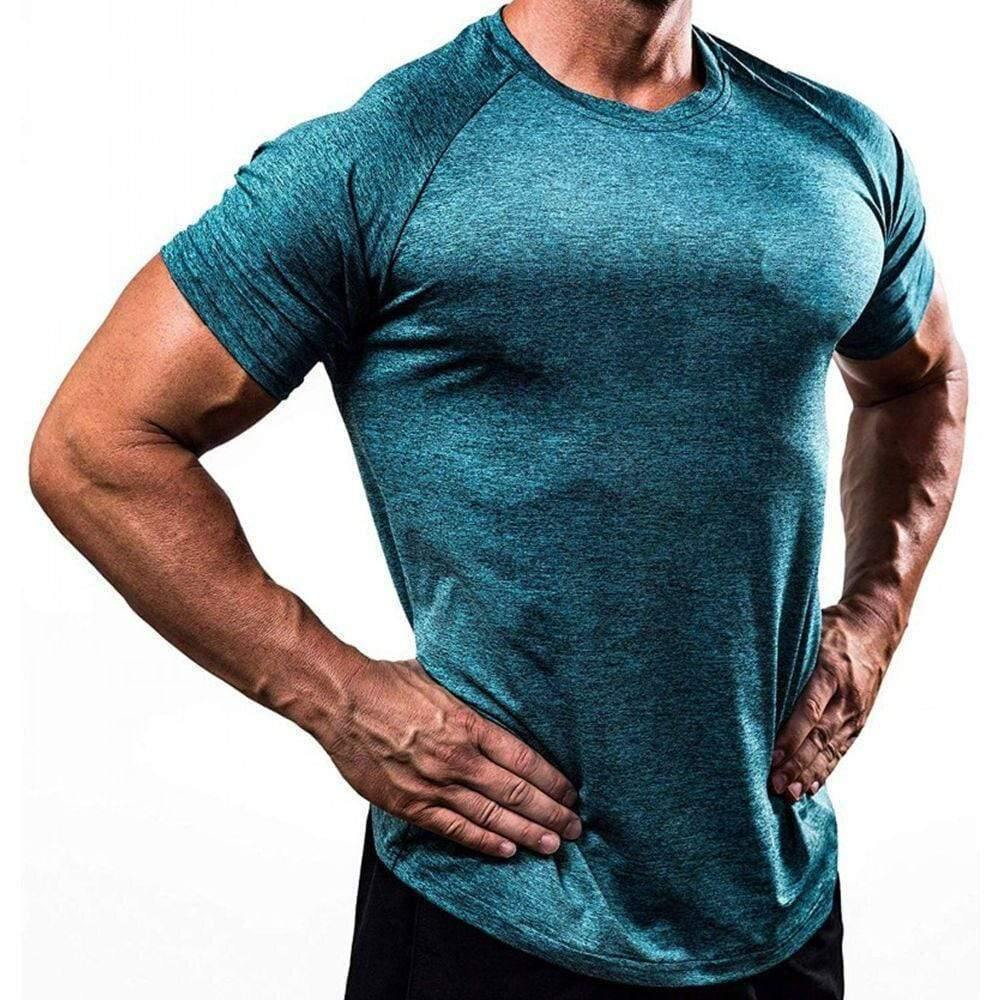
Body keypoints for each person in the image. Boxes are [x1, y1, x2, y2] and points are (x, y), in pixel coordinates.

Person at [29, 1, 967, 996]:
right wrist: (336, 696)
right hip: (495, 911)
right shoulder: (385, 156)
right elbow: (94, 446)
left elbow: (920, 379)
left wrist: (878, 613)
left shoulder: (836, 148)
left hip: (775, 907)